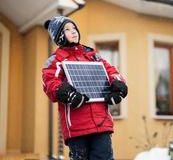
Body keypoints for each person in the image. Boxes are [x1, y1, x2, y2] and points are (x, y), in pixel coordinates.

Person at [42, 16, 128, 160]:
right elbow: (50, 83)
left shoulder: (92, 55)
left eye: (74, 28)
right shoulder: (56, 60)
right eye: (67, 29)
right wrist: (66, 92)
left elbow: (112, 72)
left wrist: (118, 85)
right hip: (77, 127)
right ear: (59, 36)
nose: (73, 31)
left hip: (102, 123)